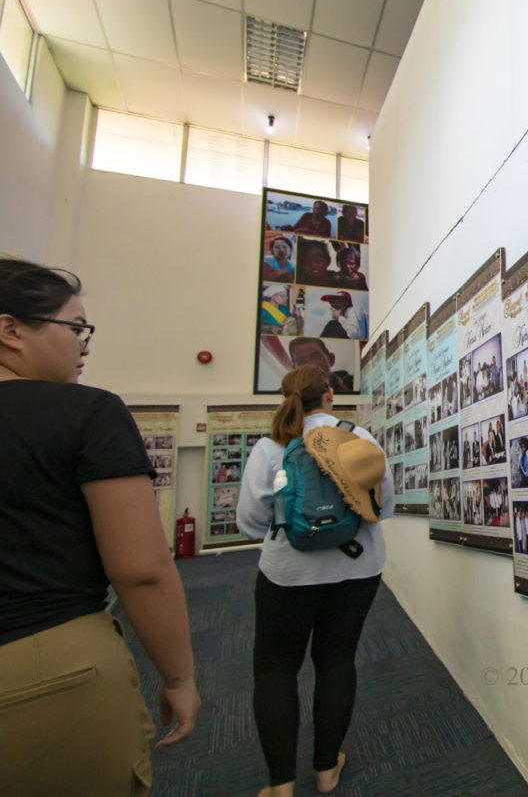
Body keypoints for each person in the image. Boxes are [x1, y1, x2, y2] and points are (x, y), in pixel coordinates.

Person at [0, 259, 200, 794]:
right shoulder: (86, 413)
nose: (85, 344)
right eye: (76, 328)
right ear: (11, 329)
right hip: (46, 666)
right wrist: (179, 676)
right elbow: (141, 569)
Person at [236, 365, 394, 797]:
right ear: (329, 394)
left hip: (287, 575)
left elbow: (249, 524)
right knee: (337, 663)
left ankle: (281, 786)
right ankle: (327, 770)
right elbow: (387, 505)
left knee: (275, 670)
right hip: (357, 569)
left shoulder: (271, 446)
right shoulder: (360, 439)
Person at [288, 337, 355, 393]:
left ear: (330, 359)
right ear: (294, 369)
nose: (310, 365)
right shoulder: (287, 395)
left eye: (315, 357)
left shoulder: (352, 384)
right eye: (301, 361)